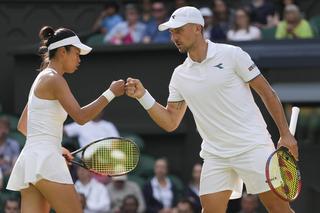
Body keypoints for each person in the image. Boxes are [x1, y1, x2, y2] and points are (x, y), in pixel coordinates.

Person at [125, 6, 298, 213]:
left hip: (253, 146)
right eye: (171, 32)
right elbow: (171, 122)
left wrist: (285, 133)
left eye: (178, 30)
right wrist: (143, 96)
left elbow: (267, 93)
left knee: (279, 209)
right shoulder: (179, 75)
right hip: (216, 154)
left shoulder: (232, 54)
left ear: (198, 28)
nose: (174, 37)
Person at [6, 26, 125, 212]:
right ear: (62, 52)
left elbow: (23, 125)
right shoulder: (54, 79)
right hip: (46, 161)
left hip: (30, 160)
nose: (79, 59)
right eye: (76, 53)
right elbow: (80, 117)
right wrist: (110, 93)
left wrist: (56, 146)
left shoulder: (41, 79)